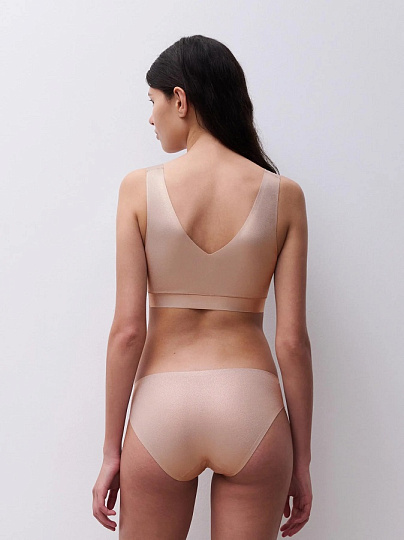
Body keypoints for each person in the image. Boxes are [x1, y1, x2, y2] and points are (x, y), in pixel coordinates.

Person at [92, 35, 313, 539]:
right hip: (252, 408)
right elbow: (292, 342)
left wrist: (111, 452)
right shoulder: (285, 196)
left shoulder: (138, 190)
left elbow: (127, 332)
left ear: (181, 99)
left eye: (153, 101)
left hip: (161, 409)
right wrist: (301, 461)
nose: (151, 118)